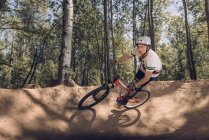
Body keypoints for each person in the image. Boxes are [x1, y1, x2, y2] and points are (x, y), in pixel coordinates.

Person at [114, 36, 162, 105]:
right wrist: (116, 61)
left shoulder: (151, 59)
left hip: (153, 73)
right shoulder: (137, 49)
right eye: (138, 46)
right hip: (144, 67)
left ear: (148, 47)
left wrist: (135, 85)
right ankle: (129, 94)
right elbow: (127, 56)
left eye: (142, 47)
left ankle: (137, 99)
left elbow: (146, 78)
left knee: (138, 86)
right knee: (134, 81)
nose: (139, 49)